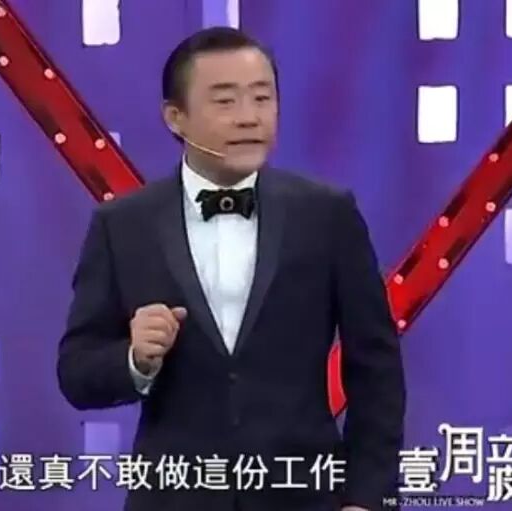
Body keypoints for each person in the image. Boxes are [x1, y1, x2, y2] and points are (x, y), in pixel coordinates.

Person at [57, 26, 406, 511]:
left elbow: (377, 369)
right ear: (175, 117)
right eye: (225, 101)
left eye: (262, 98)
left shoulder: (327, 215)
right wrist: (134, 359)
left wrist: (366, 498)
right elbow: (76, 373)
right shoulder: (122, 225)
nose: (249, 117)